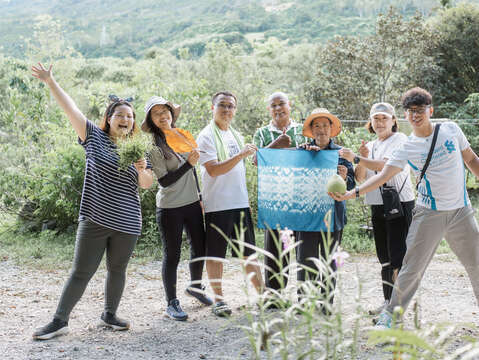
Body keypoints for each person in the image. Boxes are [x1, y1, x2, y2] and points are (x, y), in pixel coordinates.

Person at [330, 87, 479, 328]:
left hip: (461, 211)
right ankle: (390, 316)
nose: (415, 115)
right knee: (411, 267)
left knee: (476, 263)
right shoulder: (408, 146)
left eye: (419, 110)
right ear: (405, 115)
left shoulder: (451, 130)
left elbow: (471, 159)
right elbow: (383, 175)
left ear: (430, 110)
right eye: (410, 111)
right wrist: (352, 193)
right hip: (429, 212)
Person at [31, 63, 153, 340]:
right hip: (95, 218)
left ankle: (110, 314)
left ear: (134, 123)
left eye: (130, 116)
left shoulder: (136, 149)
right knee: (81, 271)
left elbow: (146, 185)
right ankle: (59, 320)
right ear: (109, 119)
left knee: (117, 270)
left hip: (128, 222)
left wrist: (141, 169)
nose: (125, 119)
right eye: (119, 115)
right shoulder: (93, 137)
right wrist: (51, 82)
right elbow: (70, 109)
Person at [339, 103, 415, 315]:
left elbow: (384, 166)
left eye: (384, 118)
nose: (380, 122)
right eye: (376, 118)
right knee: (385, 258)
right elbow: (361, 177)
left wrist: (355, 157)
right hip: (377, 204)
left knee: (398, 257)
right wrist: (361, 158)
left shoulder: (400, 140)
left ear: (393, 121)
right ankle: (388, 302)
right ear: (370, 122)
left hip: (399, 203)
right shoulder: (370, 145)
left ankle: (397, 307)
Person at [141, 96, 213, 321]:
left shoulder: (182, 135)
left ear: (172, 113)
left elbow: (193, 171)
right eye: (157, 113)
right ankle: (171, 303)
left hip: (192, 202)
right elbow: (163, 181)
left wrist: (200, 196)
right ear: (152, 121)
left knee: (200, 247)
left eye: (166, 111)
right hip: (170, 207)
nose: (163, 116)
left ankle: (196, 287)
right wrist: (189, 164)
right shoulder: (153, 146)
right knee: (172, 254)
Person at [196, 91, 265, 317]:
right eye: (222, 105)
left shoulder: (233, 133)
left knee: (249, 254)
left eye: (231, 106)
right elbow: (214, 169)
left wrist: (246, 201)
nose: (227, 110)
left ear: (235, 110)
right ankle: (219, 300)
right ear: (212, 108)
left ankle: (263, 295)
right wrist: (242, 154)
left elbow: (237, 170)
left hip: (239, 204)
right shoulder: (206, 135)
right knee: (216, 254)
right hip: (218, 205)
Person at [297, 108, 355, 307]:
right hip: (308, 216)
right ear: (311, 131)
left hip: (334, 215)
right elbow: (294, 179)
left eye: (325, 125)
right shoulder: (302, 152)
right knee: (305, 258)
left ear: (332, 129)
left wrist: (346, 176)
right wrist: (307, 158)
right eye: (316, 126)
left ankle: (326, 301)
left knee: (330, 260)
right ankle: (305, 301)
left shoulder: (342, 154)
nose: (321, 130)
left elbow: (354, 186)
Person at [252, 92, 303, 296]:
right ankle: (275, 295)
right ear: (269, 110)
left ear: (290, 105)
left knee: (302, 247)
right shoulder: (262, 133)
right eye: (273, 105)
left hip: (301, 196)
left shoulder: (303, 130)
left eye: (281, 104)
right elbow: (256, 160)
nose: (278, 108)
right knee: (275, 249)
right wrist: (276, 146)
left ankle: (304, 295)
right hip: (274, 198)